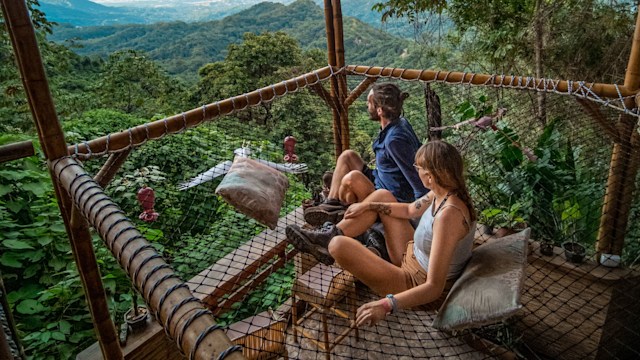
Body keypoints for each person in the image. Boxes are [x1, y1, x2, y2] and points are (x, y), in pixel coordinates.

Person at [286, 140, 477, 326]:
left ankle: (332, 242)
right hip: (410, 254)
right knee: (382, 196)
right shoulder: (441, 192)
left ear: (430, 176)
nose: (416, 170)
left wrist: (386, 305)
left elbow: (434, 288)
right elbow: (411, 210)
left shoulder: (449, 216)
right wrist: (367, 205)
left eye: (417, 167)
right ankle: (329, 235)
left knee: (338, 245)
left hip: (415, 282)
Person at [303, 82, 428, 226]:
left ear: (380, 110)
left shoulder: (395, 141)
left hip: (389, 195)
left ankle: (338, 219)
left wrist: (418, 217)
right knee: (347, 156)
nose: (366, 106)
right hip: (379, 178)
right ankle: (330, 205)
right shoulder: (400, 123)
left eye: (369, 102)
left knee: (351, 179)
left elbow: (415, 176)